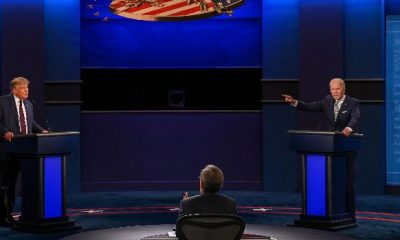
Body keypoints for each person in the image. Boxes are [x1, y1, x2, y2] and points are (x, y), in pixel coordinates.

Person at [0, 77, 49, 227]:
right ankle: (4, 216)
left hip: (26, 151)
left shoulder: (28, 104)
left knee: (14, 184)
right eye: (23, 88)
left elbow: (29, 122)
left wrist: (42, 131)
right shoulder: (2, 102)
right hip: (7, 151)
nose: (26, 90)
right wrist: (4, 132)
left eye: (27, 88)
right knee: (4, 185)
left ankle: (10, 213)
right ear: (14, 90)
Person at [282, 78, 360, 137]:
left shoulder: (353, 102)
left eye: (338, 89)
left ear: (344, 89)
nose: (335, 92)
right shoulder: (328, 100)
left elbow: (355, 118)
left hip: (347, 140)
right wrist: (294, 102)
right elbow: (310, 106)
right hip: (330, 141)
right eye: (332, 89)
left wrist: (348, 128)